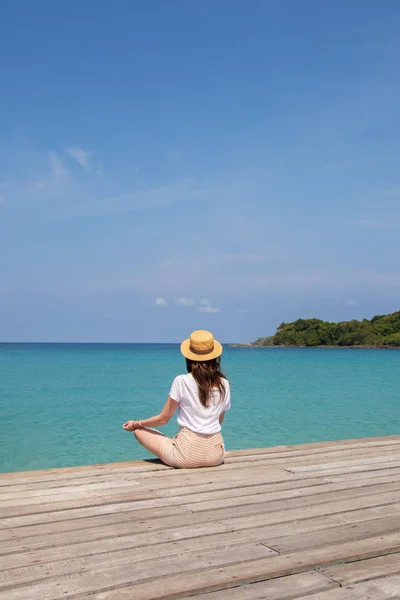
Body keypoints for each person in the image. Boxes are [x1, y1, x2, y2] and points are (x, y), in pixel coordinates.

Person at [123, 330, 230, 468]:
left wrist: (136, 424)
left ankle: (177, 444)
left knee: (140, 431)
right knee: (170, 439)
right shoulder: (224, 383)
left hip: (186, 456)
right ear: (214, 357)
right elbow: (218, 420)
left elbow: (163, 419)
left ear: (189, 357)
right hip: (215, 455)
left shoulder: (181, 381)